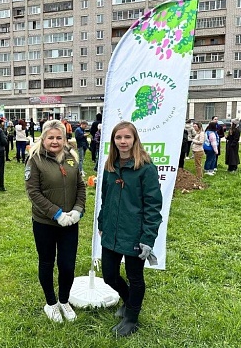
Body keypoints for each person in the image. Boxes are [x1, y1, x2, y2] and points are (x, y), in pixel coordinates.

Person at [98, 121, 163, 337]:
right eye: (119, 138)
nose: (123, 142)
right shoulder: (110, 166)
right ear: (113, 140)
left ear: (134, 139)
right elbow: (105, 198)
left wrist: (148, 237)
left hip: (135, 233)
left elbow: (153, 206)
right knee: (109, 275)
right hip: (111, 232)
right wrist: (101, 223)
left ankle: (132, 318)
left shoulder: (145, 168)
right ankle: (129, 302)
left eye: (127, 137)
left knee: (135, 278)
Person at [25, 119, 86, 323]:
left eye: (59, 137)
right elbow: (33, 192)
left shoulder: (72, 158)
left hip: (70, 223)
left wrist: (77, 211)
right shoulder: (35, 160)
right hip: (45, 223)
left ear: (64, 138)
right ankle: (50, 303)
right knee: (47, 262)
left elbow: (81, 186)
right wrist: (56, 213)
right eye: (50, 137)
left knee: (67, 265)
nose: (54, 141)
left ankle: (64, 301)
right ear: (43, 139)